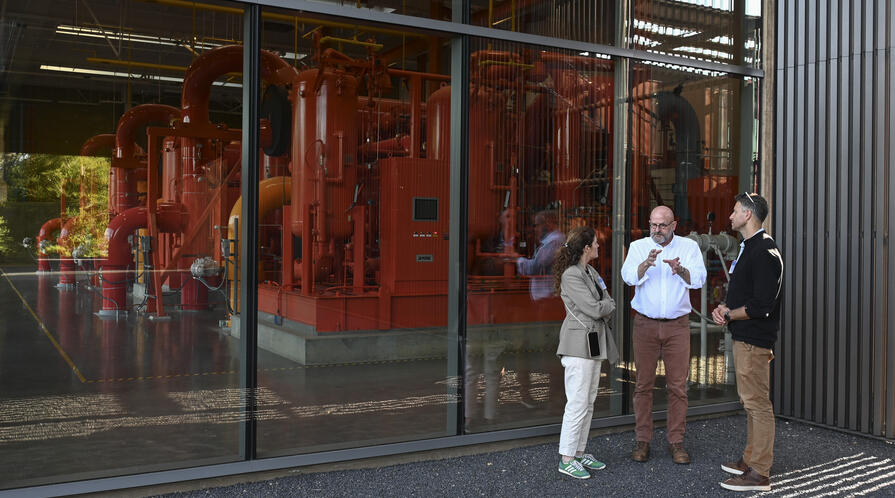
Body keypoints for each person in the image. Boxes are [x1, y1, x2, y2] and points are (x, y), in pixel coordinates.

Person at [621, 206, 706, 464]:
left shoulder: (688, 247)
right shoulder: (638, 247)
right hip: (645, 325)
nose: (657, 230)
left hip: (677, 326)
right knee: (643, 385)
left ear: (674, 225)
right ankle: (643, 441)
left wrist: (680, 270)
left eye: (663, 225)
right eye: (654, 225)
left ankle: (676, 442)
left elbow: (699, 279)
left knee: (678, 387)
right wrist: (645, 265)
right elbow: (626, 277)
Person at [712, 192, 783, 492]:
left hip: (755, 340)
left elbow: (762, 305)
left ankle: (759, 473)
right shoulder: (749, 247)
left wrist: (729, 313)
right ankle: (750, 459)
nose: (730, 216)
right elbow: (744, 296)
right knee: (750, 403)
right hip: (745, 337)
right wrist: (723, 308)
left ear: (748, 215)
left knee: (758, 405)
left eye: (735, 210)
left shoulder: (764, 251)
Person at [553, 226, 618, 479]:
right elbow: (596, 307)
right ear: (586, 248)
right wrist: (606, 305)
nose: (599, 246)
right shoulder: (572, 275)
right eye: (596, 243)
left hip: (592, 343)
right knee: (578, 402)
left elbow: (605, 303)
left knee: (588, 402)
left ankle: (578, 453)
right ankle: (567, 458)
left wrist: (605, 306)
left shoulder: (589, 271)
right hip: (578, 345)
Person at [517, 210, 564, 300]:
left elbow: (535, 267)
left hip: (547, 298)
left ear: (548, 223)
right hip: (547, 297)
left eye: (537, 225)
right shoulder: (554, 240)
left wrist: (518, 261)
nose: (535, 229)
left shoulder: (555, 241)